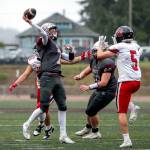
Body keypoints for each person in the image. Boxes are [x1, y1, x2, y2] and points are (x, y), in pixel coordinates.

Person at [22, 15, 75, 144]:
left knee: (62, 106)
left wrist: (73, 50)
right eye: (52, 30)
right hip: (46, 77)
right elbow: (42, 34)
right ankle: (26, 124)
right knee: (44, 106)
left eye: (55, 30)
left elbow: (70, 59)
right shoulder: (44, 41)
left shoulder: (55, 46)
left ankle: (63, 135)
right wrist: (31, 23)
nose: (55, 32)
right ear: (46, 31)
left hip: (57, 77)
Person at [96, 26, 142, 148]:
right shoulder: (135, 46)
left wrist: (100, 46)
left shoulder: (119, 47)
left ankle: (127, 140)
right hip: (136, 82)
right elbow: (124, 54)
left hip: (126, 82)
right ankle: (133, 107)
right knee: (121, 97)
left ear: (121, 36)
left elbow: (99, 56)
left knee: (121, 112)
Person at [73, 39, 117, 139]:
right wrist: (81, 75)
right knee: (89, 110)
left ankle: (96, 132)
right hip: (100, 89)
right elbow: (90, 68)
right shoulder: (95, 59)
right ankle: (88, 128)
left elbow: (104, 83)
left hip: (108, 91)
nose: (94, 53)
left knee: (91, 111)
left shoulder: (108, 62)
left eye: (96, 50)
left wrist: (88, 87)